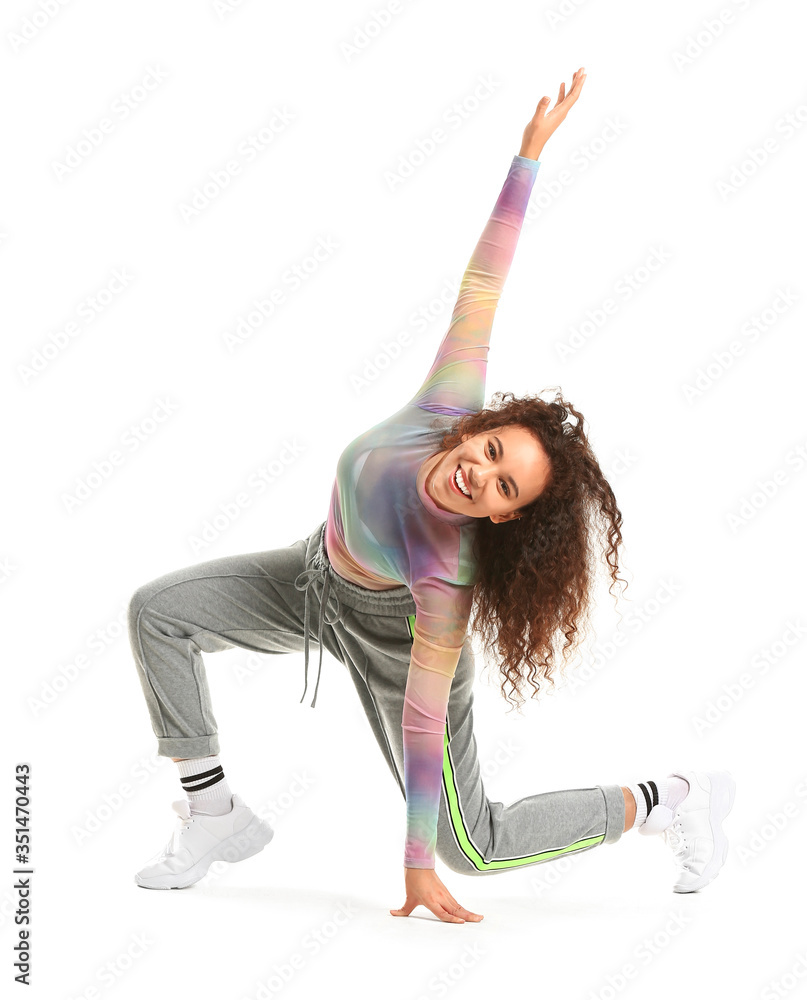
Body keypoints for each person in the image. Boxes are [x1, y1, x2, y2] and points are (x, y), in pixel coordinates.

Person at [127, 68, 735, 923]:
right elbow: (484, 284)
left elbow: (420, 731)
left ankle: (664, 798)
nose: (478, 472)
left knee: (471, 844)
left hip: (391, 634)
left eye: (501, 484)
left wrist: (413, 865)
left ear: (503, 515)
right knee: (159, 612)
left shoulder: (444, 579)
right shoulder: (442, 408)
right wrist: (527, 158)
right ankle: (216, 813)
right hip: (311, 583)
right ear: (473, 429)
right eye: (490, 449)